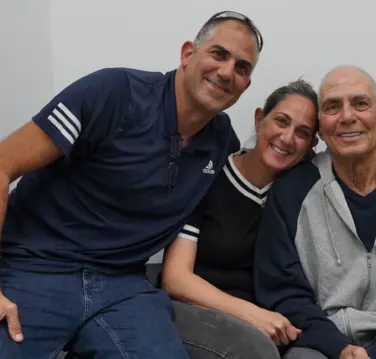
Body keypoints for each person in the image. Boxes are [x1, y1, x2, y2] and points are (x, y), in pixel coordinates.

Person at [0, 10, 263, 359]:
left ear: (246, 85)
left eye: (242, 68)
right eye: (219, 54)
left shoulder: (220, 142)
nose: (228, 72)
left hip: (123, 286)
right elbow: (3, 163)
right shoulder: (113, 92)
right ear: (188, 54)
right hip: (36, 268)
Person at [254, 66, 376, 359]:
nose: (347, 116)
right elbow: (281, 290)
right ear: (321, 128)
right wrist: (338, 348)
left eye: (360, 104)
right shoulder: (291, 190)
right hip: (316, 339)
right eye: (332, 107)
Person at [160, 79, 320, 359]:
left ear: (311, 144)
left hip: (270, 323)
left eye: (302, 132)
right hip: (192, 309)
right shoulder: (208, 177)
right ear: (260, 119)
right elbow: (175, 279)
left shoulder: (302, 193)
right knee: (256, 351)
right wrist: (253, 315)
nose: (287, 137)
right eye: (281, 121)